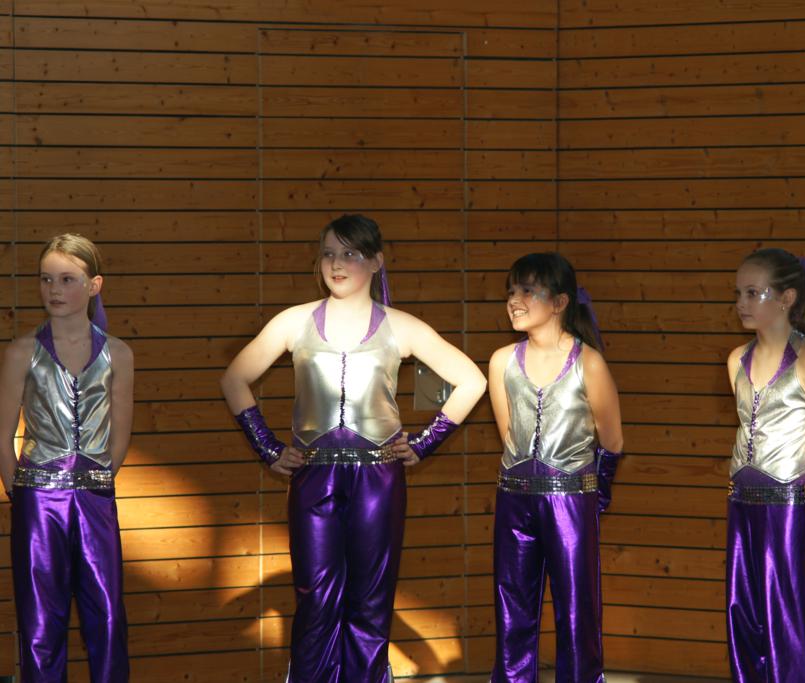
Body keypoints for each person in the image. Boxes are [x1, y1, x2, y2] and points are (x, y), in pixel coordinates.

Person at [220, 214, 486, 682]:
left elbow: (472, 380)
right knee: (315, 596)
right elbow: (234, 378)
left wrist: (426, 443)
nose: (337, 264)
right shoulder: (294, 321)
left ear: (377, 262)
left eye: (350, 254)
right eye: (328, 253)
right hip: (314, 477)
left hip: (377, 479)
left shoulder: (401, 326)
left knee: (370, 597)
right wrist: (268, 447)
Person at [0, 233, 132, 682]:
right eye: (46, 279)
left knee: (107, 615)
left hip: (95, 498)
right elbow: (2, 433)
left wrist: (95, 481)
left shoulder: (118, 353)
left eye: (67, 279)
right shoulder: (22, 352)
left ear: (94, 285)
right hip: (38, 501)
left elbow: (120, 435)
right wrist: (21, 492)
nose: (54, 290)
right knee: (40, 621)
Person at [488, 252, 623, 683]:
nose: (515, 299)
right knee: (512, 608)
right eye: (511, 290)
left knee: (576, 610)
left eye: (528, 290)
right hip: (514, 500)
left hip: (569, 503)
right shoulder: (501, 361)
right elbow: (509, 435)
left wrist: (591, 498)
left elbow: (612, 442)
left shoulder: (588, 362)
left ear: (561, 302)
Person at [726, 248, 805, 682]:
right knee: (743, 610)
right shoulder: (736, 360)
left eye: (753, 293)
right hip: (741, 503)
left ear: (787, 298)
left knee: (786, 615)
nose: (741, 303)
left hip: (789, 508)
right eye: (738, 293)